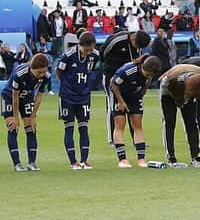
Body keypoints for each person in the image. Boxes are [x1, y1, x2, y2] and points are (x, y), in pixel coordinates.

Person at [56, 32, 100, 170]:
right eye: (86, 50)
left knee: (84, 127)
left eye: (91, 49)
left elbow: (90, 70)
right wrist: (67, 85)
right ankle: (73, 162)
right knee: (69, 127)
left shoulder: (95, 55)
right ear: (80, 45)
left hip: (84, 97)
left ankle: (84, 161)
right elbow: (59, 71)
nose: (88, 52)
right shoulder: (68, 55)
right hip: (67, 96)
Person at [109, 55, 161, 168]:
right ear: (142, 66)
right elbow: (114, 84)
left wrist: (141, 94)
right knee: (120, 124)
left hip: (134, 96)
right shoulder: (127, 71)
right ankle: (122, 160)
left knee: (137, 123)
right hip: (118, 94)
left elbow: (147, 83)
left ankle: (141, 159)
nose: (149, 76)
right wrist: (120, 101)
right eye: (147, 74)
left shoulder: (150, 74)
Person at [100, 29, 150, 144]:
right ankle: (112, 139)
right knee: (113, 105)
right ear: (133, 38)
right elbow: (103, 52)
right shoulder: (118, 40)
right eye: (136, 45)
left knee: (132, 105)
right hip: (111, 75)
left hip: (128, 78)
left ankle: (136, 138)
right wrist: (112, 67)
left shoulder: (138, 46)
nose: (137, 48)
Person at [2, 53, 50, 171]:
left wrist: (33, 116)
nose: (42, 75)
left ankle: (32, 163)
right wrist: (15, 117)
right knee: (13, 127)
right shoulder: (20, 74)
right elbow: (15, 96)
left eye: (44, 72)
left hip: (27, 97)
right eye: (39, 72)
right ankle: (17, 164)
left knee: (31, 128)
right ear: (32, 68)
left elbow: (39, 96)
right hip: (9, 97)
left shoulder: (46, 76)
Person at [159, 63, 200, 165]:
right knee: (169, 122)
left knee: (191, 123)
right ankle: (170, 156)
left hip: (190, 87)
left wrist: (189, 98)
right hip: (168, 90)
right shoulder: (173, 80)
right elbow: (174, 92)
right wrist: (181, 100)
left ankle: (196, 156)